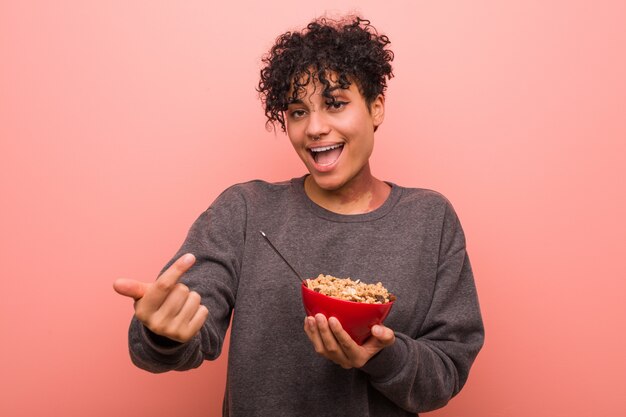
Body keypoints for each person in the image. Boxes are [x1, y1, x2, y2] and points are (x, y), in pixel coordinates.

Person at [114, 15, 484, 416]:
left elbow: (445, 374)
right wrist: (162, 332)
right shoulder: (245, 210)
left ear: (376, 108)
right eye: (297, 111)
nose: (315, 128)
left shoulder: (430, 220)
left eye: (335, 104)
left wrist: (380, 355)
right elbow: (180, 333)